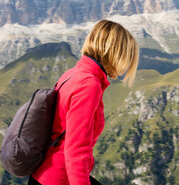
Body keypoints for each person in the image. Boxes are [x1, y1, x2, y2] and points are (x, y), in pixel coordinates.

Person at [28, 20, 139, 185]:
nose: (127, 65)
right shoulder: (89, 84)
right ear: (115, 53)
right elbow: (76, 149)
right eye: (127, 57)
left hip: (44, 173)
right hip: (59, 178)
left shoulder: (74, 73)